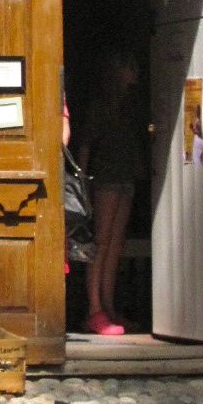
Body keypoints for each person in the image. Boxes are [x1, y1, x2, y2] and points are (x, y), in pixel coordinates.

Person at [78, 50, 144, 335]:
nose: (135, 73)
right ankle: (94, 310)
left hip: (125, 177)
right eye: (130, 67)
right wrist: (82, 181)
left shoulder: (130, 105)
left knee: (115, 245)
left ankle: (109, 307)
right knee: (101, 243)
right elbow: (86, 144)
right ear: (117, 71)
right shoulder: (102, 106)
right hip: (105, 179)